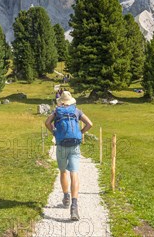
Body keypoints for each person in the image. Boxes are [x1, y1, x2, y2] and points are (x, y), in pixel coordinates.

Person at [44, 91, 93, 221]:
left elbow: (47, 123)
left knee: (63, 171)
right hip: (75, 145)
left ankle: (66, 196)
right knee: (74, 173)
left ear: (61, 101)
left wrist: (54, 132)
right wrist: (80, 132)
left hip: (61, 145)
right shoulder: (76, 111)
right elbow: (90, 124)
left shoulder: (56, 111)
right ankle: (74, 206)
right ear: (71, 101)